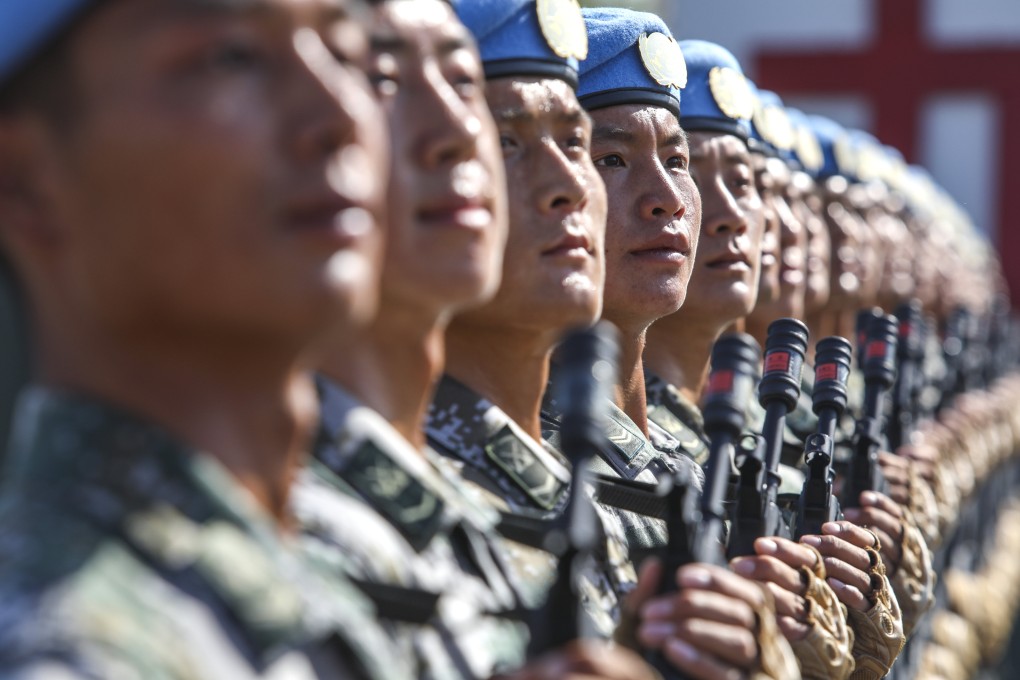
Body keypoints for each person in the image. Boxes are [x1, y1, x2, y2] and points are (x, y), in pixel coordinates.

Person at [0, 0, 408, 677]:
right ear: (26, 185)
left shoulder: (301, 562)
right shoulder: (69, 652)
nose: (339, 115)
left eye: (347, 53)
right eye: (233, 57)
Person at [293, 1, 661, 678]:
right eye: (510, 140)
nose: (566, 187)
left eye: (575, 143)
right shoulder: (304, 524)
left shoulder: (463, 503)